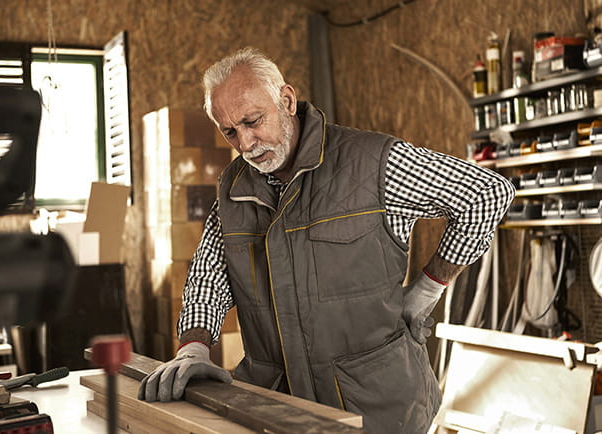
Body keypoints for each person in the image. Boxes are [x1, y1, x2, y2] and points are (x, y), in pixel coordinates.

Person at [138, 47, 515, 433]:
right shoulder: (233, 189)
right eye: (230, 131)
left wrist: (427, 289)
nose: (246, 143)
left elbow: (487, 194)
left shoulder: (372, 164)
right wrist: (193, 348)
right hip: (280, 408)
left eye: (253, 121)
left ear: (286, 99)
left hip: (378, 410)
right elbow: (208, 278)